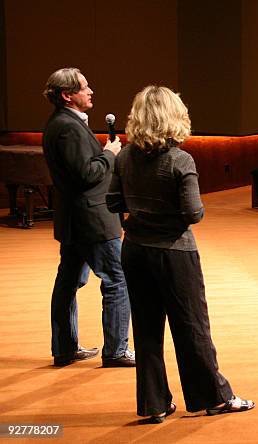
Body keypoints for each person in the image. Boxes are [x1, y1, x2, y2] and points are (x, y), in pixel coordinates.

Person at [107, 86, 254, 423]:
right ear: (174, 117)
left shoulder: (124, 157)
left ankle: (153, 404)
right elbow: (194, 213)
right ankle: (214, 398)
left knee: (146, 330)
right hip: (174, 253)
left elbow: (114, 203)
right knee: (192, 327)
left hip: (135, 249)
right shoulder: (180, 159)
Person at [42, 67, 134, 367]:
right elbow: (86, 174)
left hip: (75, 219)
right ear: (68, 95)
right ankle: (116, 351)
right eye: (84, 87)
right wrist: (110, 153)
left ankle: (66, 348)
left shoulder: (62, 123)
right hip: (92, 220)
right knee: (117, 281)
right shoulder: (67, 127)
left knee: (68, 282)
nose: (91, 91)